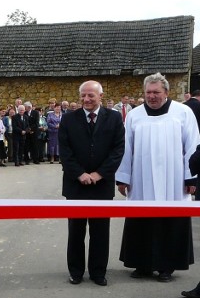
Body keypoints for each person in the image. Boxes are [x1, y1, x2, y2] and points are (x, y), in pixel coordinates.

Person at [116, 72, 199, 283]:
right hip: (141, 178)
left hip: (174, 178)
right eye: (148, 92)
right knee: (141, 218)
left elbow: (193, 146)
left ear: (166, 92)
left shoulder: (183, 112)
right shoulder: (135, 115)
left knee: (170, 220)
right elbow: (126, 147)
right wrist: (123, 177)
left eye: (156, 92)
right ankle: (142, 264)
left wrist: (191, 178)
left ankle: (166, 266)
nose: (152, 96)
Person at [59, 80, 125, 286]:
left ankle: (98, 272)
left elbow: (118, 150)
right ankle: (76, 272)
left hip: (102, 185)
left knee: (100, 232)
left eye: (91, 96)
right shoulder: (69, 119)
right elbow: (65, 151)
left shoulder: (114, 118)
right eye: (83, 96)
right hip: (75, 184)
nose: (86, 99)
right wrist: (80, 174)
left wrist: (99, 174)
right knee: (76, 232)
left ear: (101, 97)